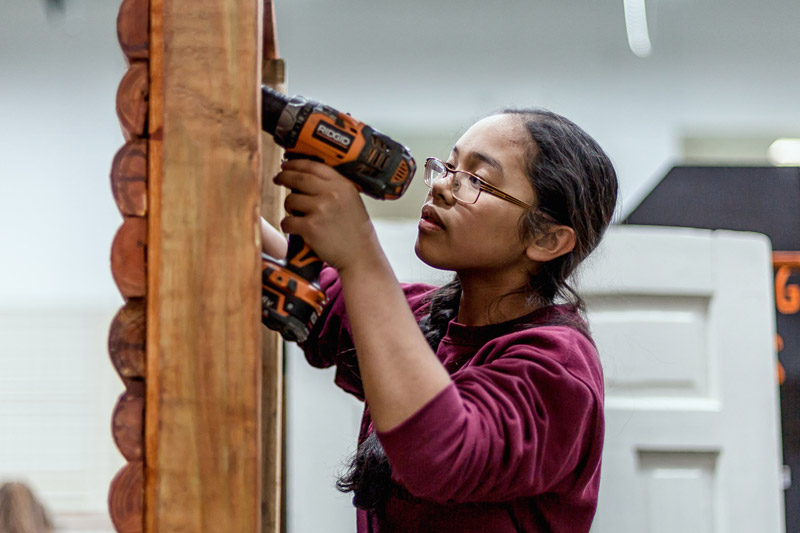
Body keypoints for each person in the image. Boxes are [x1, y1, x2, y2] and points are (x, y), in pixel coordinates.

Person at [262, 108, 618, 532]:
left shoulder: (556, 368)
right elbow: (313, 296)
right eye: (449, 167)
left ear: (547, 239)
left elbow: (443, 453)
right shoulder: (426, 317)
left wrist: (358, 250)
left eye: (476, 181)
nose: (443, 187)